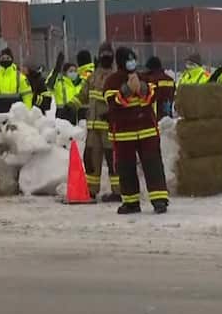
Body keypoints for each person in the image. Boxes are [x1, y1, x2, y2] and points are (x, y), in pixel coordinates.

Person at [105, 47, 170, 214]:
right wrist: (127, 89)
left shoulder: (143, 77)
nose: (131, 62)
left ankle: (159, 200)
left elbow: (153, 94)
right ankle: (131, 202)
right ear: (121, 62)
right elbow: (113, 101)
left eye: (133, 58)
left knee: (153, 164)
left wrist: (141, 88)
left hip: (146, 130)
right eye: (128, 59)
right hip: (123, 133)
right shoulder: (112, 81)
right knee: (126, 168)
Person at [84, 42, 119, 200]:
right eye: (103, 54)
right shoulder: (93, 76)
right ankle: (91, 190)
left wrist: (112, 113)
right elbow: (83, 94)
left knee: (113, 159)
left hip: (109, 126)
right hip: (93, 127)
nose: (105, 57)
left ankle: (118, 191)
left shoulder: (117, 76)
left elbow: (121, 99)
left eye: (108, 54)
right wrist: (71, 105)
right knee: (92, 159)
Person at [0, 48, 32, 114]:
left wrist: (27, 113)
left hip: (15, 116)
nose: (5, 60)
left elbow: (27, 95)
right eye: (3, 58)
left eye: (8, 58)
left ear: (12, 59)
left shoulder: (20, 77)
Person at [51, 59, 83, 124]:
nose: (73, 73)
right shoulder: (59, 83)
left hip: (77, 114)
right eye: (71, 71)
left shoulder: (79, 83)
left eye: (75, 71)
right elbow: (49, 83)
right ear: (65, 72)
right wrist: (56, 70)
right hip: (62, 113)